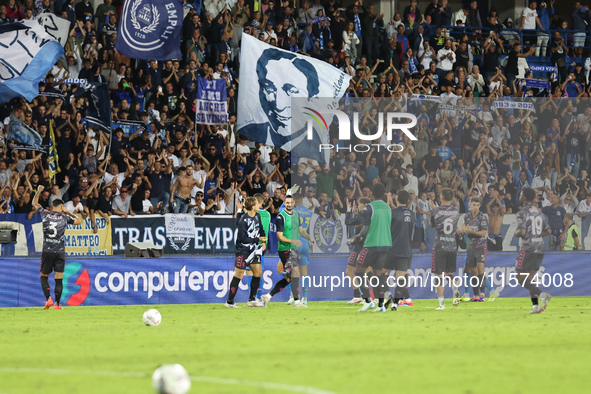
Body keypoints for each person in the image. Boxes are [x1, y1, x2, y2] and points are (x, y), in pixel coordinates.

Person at [238, 48, 320, 150]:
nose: (278, 106)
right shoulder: (250, 132)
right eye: (269, 90)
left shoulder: (316, 144)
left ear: (311, 97)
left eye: (292, 91)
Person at [32, 185, 81, 310]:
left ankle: (48, 299)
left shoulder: (45, 214)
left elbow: (34, 203)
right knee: (58, 279)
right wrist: (67, 211)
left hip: (47, 250)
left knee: (44, 276)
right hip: (59, 252)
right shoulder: (65, 217)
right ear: (61, 207)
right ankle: (57, 305)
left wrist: (38, 191)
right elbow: (79, 220)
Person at [260, 195, 314, 307]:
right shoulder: (281, 217)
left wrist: (310, 238)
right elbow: (279, 236)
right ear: (284, 203)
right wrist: (293, 241)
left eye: (291, 202)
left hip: (292, 249)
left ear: (294, 203)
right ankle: (297, 301)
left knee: (289, 278)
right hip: (285, 249)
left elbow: (300, 230)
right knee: (295, 273)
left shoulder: (296, 215)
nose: (289, 204)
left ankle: (268, 296)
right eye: (287, 202)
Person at [349, 183, 392, 312]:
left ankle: (368, 300)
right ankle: (380, 306)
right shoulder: (388, 208)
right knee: (378, 274)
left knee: (359, 271)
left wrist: (357, 236)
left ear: (372, 193)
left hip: (372, 244)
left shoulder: (369, 208)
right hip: (386, 244)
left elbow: (366, 229)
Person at [514, 188, 552, 314]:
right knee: (530, 278)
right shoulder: (539, 212)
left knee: (519, 277)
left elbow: (522, 232)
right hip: (540, 248)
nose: (519, 196)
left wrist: (517, 232)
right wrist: (535, 234)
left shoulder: (522, 212)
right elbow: (548, 231)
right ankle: (535, 306)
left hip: (528, 248)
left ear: (524, 197)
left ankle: (542, 295)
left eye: (520, 194)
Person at [225, 197, 268, 308]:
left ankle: (251, 299)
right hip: (243, 250)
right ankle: (229, 302)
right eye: (257, 203)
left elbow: (261, 230)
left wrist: (263, 241)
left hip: (254, 250)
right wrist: (259, 239)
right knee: (239, 275)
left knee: (258, 272)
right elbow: (243, 238)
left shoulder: (258, 216)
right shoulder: (244, 219)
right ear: (252, 206)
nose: (259, 205)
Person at [430, 187, 461, 310]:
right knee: (449, 273)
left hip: (440, 246)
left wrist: (432, 209)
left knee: (439, 275)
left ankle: (441, 304)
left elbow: (432, 225)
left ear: (441, 197)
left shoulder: (436, 210)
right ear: (452, 197)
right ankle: (455, 290)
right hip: (453, 246)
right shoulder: (457, 210)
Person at [384, 189, 415, 311]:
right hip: (406, 250)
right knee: (401, 278)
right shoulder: (412, 214)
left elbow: (388, 221)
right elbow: (403, 217)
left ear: (397, 199)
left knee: (380, 272)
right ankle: (395, 304)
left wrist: (388, 203)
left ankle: (387, 293)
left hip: (392, 249)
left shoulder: (392, 213)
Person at [459, 196, 492, 302]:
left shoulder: (482, 217)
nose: (476, 207)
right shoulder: (467, 216)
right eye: (474, 205)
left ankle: (483, 294)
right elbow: (465, 228)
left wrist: (470, 231)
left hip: (481, 246)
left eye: (478, 205)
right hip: (471, 247)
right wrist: (464, 229)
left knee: (480, 270)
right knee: (473, 271)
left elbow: (483, 233)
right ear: (470, 204)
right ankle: (476, 295)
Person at [344, 197, 371, 304]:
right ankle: (363, 295)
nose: (358, 206)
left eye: (359, 204)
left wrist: (348, 209)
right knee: (367, 272)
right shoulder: (368, 216)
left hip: (359, 247)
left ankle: (361, 295)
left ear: (364, 205)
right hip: (367, 247)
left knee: (351, 271)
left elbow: (347, 222)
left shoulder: (361, 216)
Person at [292, 192, 315, 305]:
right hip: (305, 242)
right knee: (304, 273)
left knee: (289, 270)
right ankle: (305, 299)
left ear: (294, 202)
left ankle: (293, 295)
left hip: (296, 241)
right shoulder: (309, 212)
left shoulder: (294, 211)